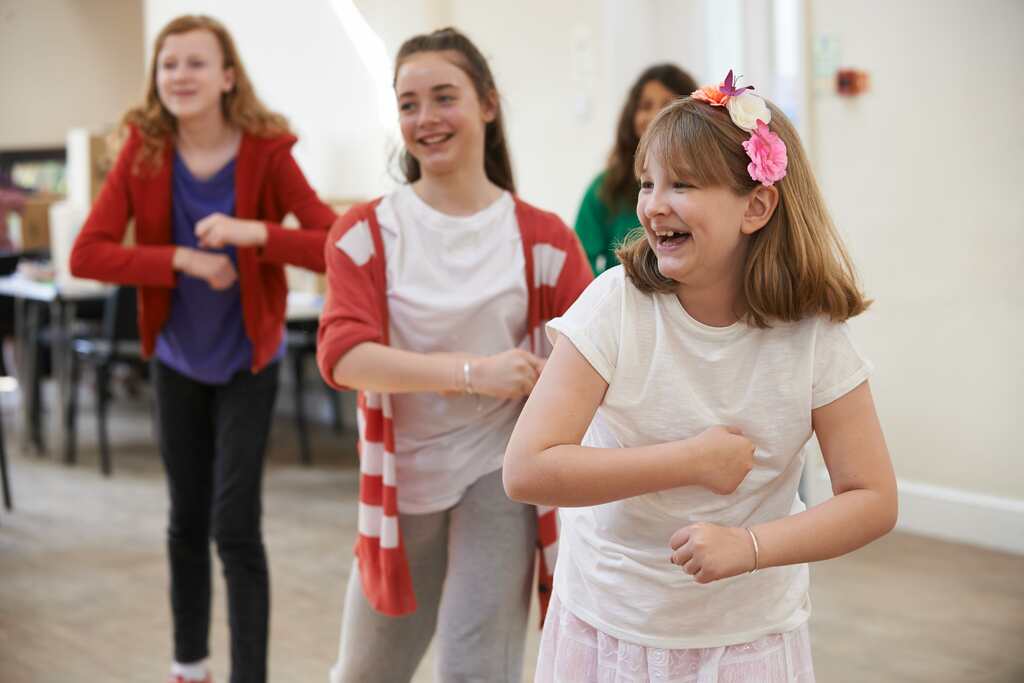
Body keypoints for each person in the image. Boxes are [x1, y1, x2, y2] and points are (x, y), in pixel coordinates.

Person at [504, 72, 898, 682]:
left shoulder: (812, 332)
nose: (653, 204)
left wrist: (752, 547)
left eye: (681, 184)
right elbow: (527, 469)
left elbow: (872, 498)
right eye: (647, 183)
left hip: (747, 638)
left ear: (757, 205)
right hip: (612, 624)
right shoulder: (616, 305)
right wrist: (690, 460)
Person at [315, 27, 592, 683]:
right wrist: (477, 373)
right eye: (408, 104)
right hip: (400, 480)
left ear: (487, 106)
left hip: (497, 476)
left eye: (444, 97)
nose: (426, 119)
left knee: (476, 671)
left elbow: (595, 358)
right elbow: (343, 354)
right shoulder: (363, 234)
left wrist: (548, 374)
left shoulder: (543, 238)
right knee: (366, 672)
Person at [70, 15, 336, 683]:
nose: (179, 76)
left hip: (249, 358)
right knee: (185, 519)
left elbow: (334, 243)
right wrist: (183, 259)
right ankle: (189, 666)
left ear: (226, 77)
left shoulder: (267, 151)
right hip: (177, 360)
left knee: (234, 525)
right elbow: (89, 253)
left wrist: (255, 233)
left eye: (195, 63)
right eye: (168, 64)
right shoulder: (144, 151)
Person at [574, 63, 697, 275]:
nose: (655, 116)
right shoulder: (604, 188)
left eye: (668, 105)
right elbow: (580, 263)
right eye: (645, 105)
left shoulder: (704, 183)